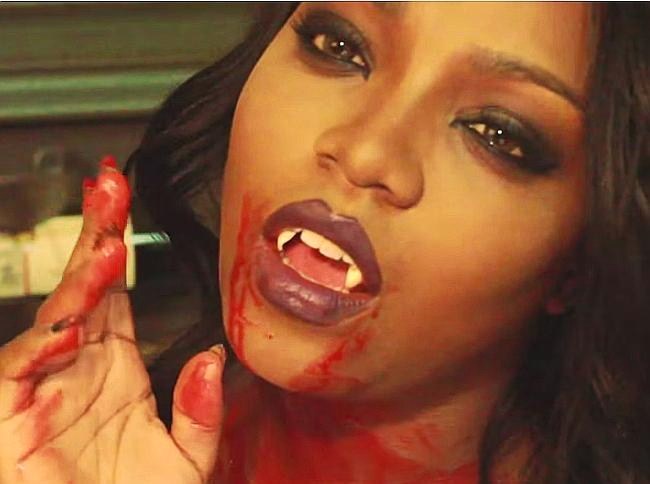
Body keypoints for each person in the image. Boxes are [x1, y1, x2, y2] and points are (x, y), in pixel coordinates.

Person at [1, 2, 649, 483]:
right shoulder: (65, 440)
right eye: (339, 45)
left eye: (496, 133)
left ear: (583, 254)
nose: (365, 152)